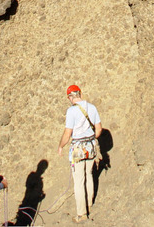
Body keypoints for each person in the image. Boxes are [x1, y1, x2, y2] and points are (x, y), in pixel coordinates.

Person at [57, 85, 102, 223]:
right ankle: (89, 204)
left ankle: (81, 214)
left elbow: (67, 133)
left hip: (78, 148)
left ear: (70, 97)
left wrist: (61, 146)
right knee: (89, 174)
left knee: (78, 180)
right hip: (90, 146)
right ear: (80, 93)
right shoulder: (92, 107)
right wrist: (92, 139)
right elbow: (99, 128)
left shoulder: (71, 111)